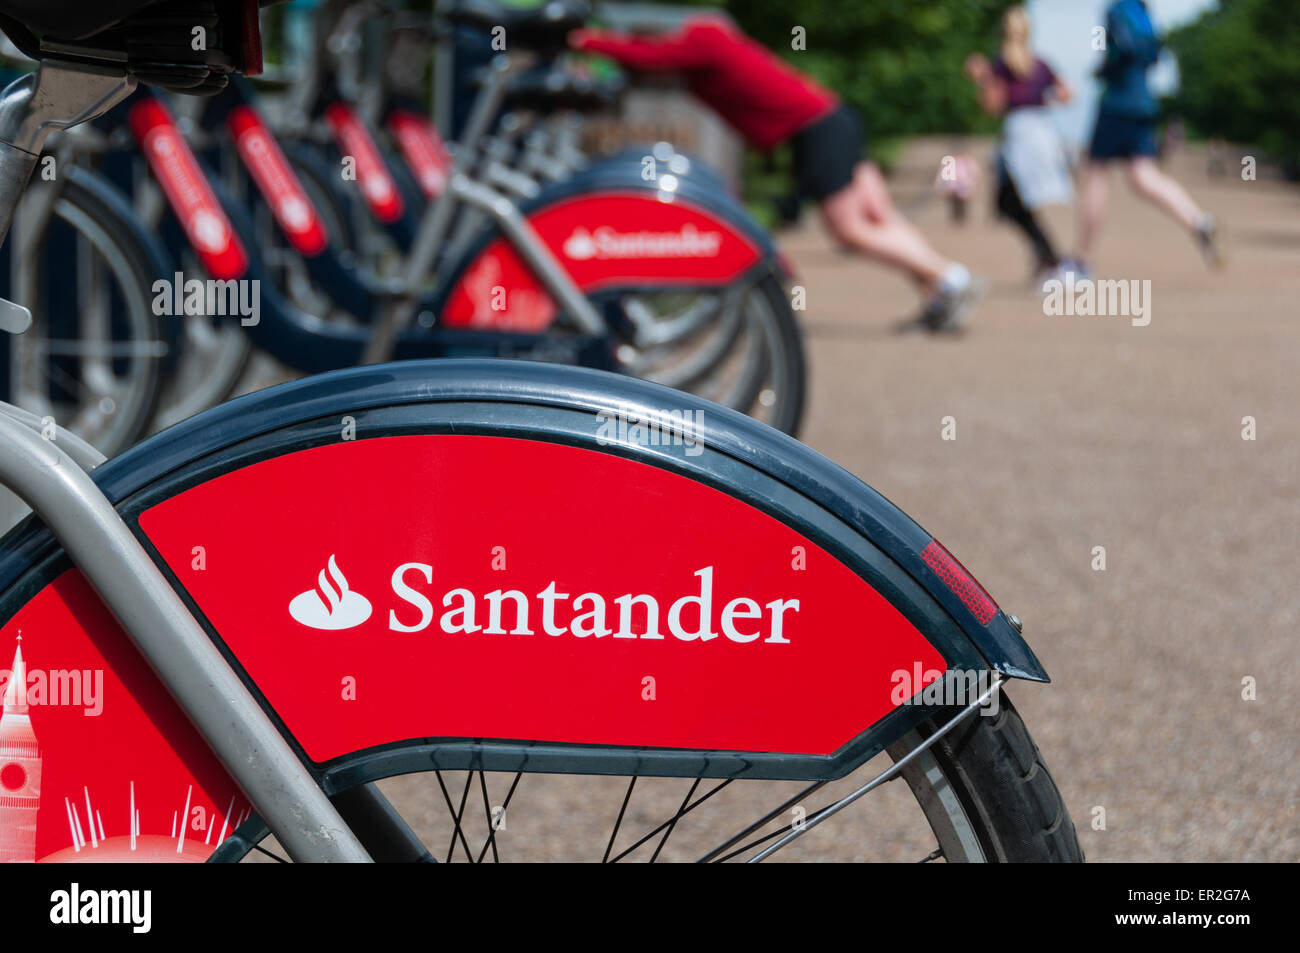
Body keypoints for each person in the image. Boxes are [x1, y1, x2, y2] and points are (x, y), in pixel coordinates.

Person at [570, 15, 982, 333]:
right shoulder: (702, 52)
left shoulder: (702, 39)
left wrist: (584, 40)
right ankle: (940, 290)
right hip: (829, 121)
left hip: (818, 130)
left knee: (850, 229)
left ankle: (948, 278)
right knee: (879, 218)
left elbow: (650, 57)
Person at [1077, 0, 1221, 270]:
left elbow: (1121, 48)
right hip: (1144, 102)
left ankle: (1082, 261)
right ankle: (1197, 220)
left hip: (1117, 103)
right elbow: (1154, 55)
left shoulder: (1116, 11)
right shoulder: (1144, 14)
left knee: (1095, 175)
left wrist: (1104, 68)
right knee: (1144, 176)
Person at [965, 6, 1076, 287]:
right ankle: (1047, 261)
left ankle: (1052, 262)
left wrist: (982, 79)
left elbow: (993, 106)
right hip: (1042, 131)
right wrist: (1040, 100)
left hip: (1020, 135)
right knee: (1016, 202)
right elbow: (1067, 94)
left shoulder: (1002, 66)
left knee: (1010, 203)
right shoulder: (1040, 64)